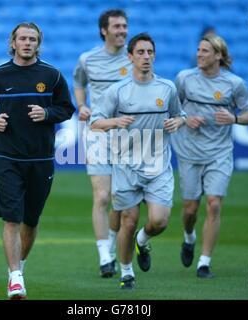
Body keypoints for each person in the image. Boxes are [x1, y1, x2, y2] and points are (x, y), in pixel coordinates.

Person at [0, 22, 75, 299]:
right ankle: (16, 279)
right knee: (12, 217)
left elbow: (66, 108)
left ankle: (18, 268)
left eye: (32, 39)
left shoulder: (52, 76)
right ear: (13, 42)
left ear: (38, 43)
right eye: (23, 38)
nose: (27, 43)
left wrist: (47, 114)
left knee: (31, 220)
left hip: (41, 159)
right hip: (7, 158)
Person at [91, 33, 185, 289]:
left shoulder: (167, 88)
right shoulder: (118, 90)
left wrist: (178, 121)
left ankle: (142, 241)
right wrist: (115, 122)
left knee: (159, 221)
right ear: (130, 57)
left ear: (154, 55)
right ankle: (126, 272)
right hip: (126, 167)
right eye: (140, 52)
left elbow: (180, 115)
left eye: (149, 52)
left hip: (158, 167)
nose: (146, 57)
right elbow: (94, 121)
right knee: (128, 221)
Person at [171, 33, 248, 278]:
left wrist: (235, 118)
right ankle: (189, 237)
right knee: (190, 209)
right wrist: (186, 118)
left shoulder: (234, 84)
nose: (199, 54)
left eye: (205, 51)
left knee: (214, 203)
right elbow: (172, 109)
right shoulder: (184, 78)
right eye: (198, 50)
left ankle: (204, 262)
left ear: (219, 55)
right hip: (188, 151)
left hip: (219, 152)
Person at [73, 9, 132, 277]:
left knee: (123, 199)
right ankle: (105, 256)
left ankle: (112, 239)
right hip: (97, 132)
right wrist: (82, 105)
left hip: (129, 136)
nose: (122, 30)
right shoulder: (88, 59)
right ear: (103, 30)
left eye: (124, 26)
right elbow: (78, 82)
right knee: (103, 196)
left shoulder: (135, 58)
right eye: (117, 26)